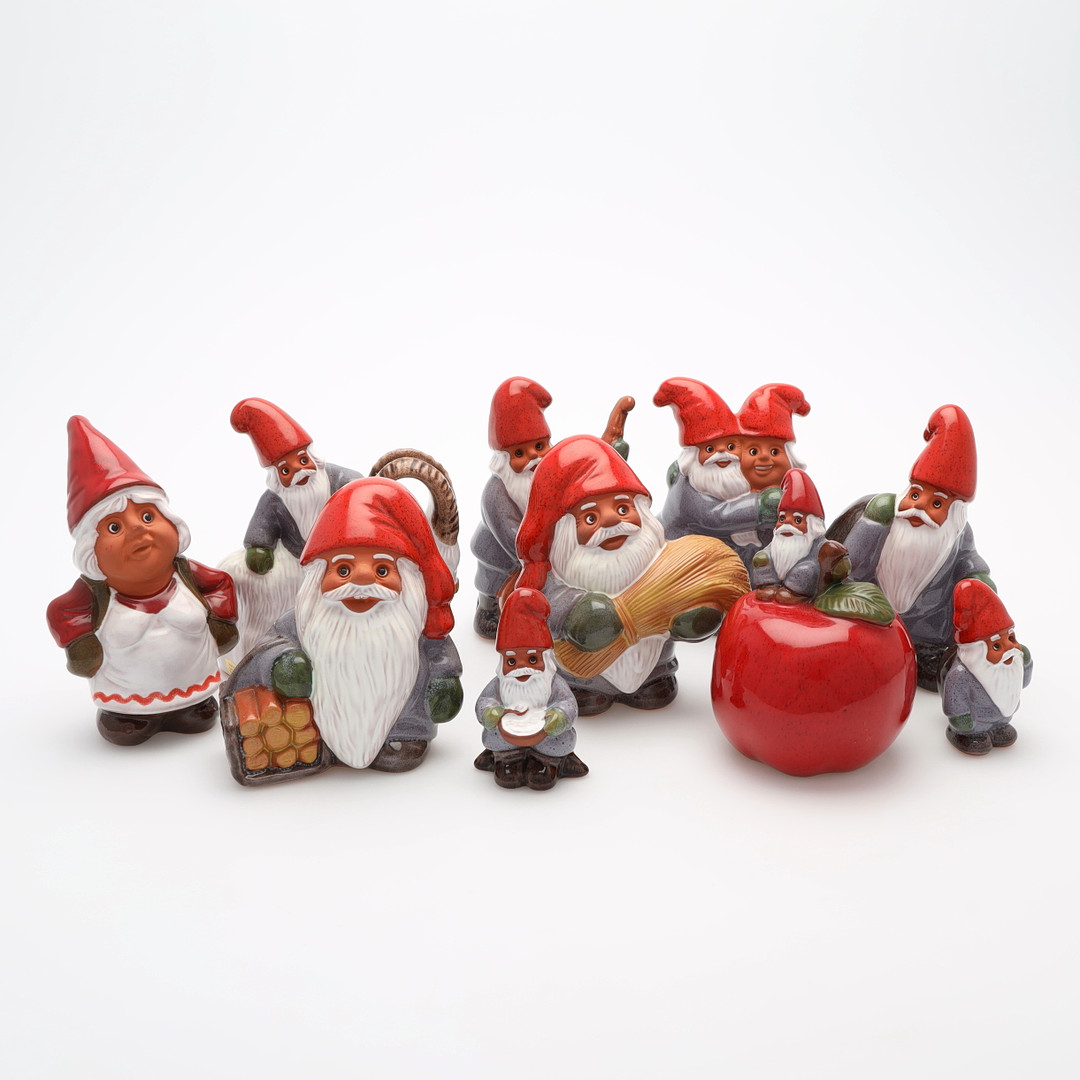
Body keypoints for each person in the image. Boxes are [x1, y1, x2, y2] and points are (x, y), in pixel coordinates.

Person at [221, 478, 462, 785]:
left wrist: (443, 682)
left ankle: (401, 733)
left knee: (407, 718)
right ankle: (330, 739)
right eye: (343, 570)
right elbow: (271, 646)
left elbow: (439, 652)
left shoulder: (415, 622)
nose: (362, 580)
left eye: (382, 570)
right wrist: (282, 662)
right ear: (318, 578)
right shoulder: (307, 621)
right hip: (315, 729)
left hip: (404, 724)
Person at [514, 435, 747, 715]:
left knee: (655, 680)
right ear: (565, 532)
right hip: (585, 677)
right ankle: (585, 686)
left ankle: (652, 679)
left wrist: (689, 620)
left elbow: (678, 599)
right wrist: (576, 616)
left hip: (654, 669)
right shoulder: (560, 577)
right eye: (591, 518)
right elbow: (547, 612)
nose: (613, 521)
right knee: (585, 684)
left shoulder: (664, 564)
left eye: (623, 509)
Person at [47, 416, 237, 745]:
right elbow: (61, 612)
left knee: (199, 714)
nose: (137, 529)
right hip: (127, 694)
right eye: (115, 527)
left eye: (148, 516)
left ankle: (192, 706)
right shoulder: (95, 592)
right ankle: (129, 716)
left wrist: (220, 622)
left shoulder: (186, 573)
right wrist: (83, 647)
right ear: (91, 551)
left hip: (193, 682)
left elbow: (221, 584)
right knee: (125, 727)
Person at [844, 404, 993, 689]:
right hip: (870, 613)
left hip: (928, 625)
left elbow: (969, 563)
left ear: (954, 515)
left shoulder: (958, 534)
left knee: (934, 663)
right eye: (915, 495)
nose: (919, 508)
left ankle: (922, 659)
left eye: (936, 503)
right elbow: (851, 559)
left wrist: (978, 581)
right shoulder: (884, 513)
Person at [654, 376, 779, 570]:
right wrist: (760, 506)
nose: (722, 453)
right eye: (710, 449)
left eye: (731, 447)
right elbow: (716, 517)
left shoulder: (734, 483)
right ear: (693, 456)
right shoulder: (687, 489)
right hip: (680, 563)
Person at [474, 587, 587, 790]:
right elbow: (484, 701)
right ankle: (508, 760)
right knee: (493, 736)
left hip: (546, 736)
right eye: (511, 661)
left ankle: (546, 762)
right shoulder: (500, 684)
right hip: (507, 736)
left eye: (532, 659)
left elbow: (568, 703)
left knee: (558, 741)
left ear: (546, 660)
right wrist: (490, 712)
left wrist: (560, 716)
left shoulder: (553, 684)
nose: (521, 668)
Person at [941, 579, 1032, 755]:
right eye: (997, 646)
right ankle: (966, 735)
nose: (1010, 648)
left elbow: (1024, 682)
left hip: (1003, 717)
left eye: (1011, 639)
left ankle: (999, 726)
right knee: (973, 735)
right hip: (975, 723)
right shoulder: (961, 674)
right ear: (978, 652)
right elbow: (955, 700)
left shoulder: (1017, 660)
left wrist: (1026, 663)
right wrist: (961, 720)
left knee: (1004, 732)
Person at [751, 469, 845, 602]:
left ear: (812, 525)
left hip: (805, 578)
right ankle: (769, 585)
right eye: (782, 519)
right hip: (774, 578)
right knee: (761, 558)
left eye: (798, 520)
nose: (786, 524)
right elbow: (768, 553)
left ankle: (794, 592)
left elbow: (831, 555)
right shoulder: (778, 540)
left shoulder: (815, 543)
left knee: (807, 569)